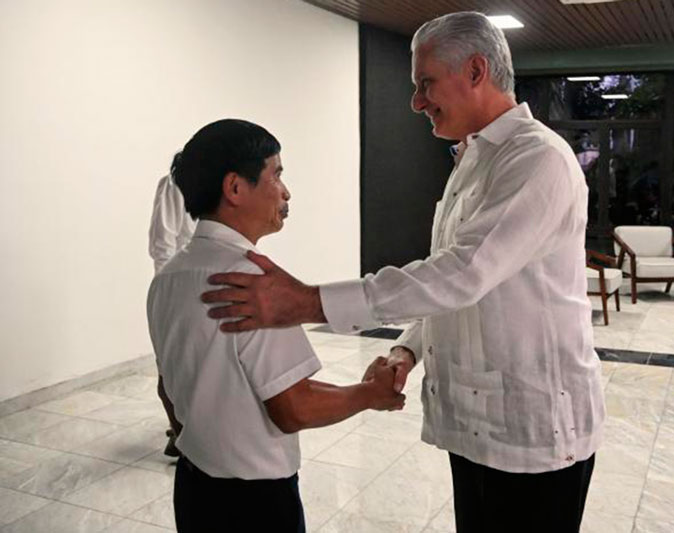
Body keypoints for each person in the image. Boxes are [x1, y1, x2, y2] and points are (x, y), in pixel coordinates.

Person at [202, 12, 604, 533]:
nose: (417, 101)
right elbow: (463, 288)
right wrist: (409, 348)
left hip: (533, 434)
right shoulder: (473, 160)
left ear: (476, 71)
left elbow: (463, 274)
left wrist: (306, 301)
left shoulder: (536, 159)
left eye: (425, 82)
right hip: (482, 429)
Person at [147, 119, 405, 533]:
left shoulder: (168, 279)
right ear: (234, 188)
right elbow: (293, 406)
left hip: (193, 491)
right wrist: (369, 394)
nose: (285, 192)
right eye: (276, 174)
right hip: (253, 506)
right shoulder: (252, 286)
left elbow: (168, 389)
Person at [148, 172, 197, 457]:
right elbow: (162, 244)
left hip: (206, 283)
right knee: (169, 366)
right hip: (177, 287)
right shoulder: (175, 182)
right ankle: (179, 434)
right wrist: (169, 291)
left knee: (196, 365)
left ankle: (188, 431)